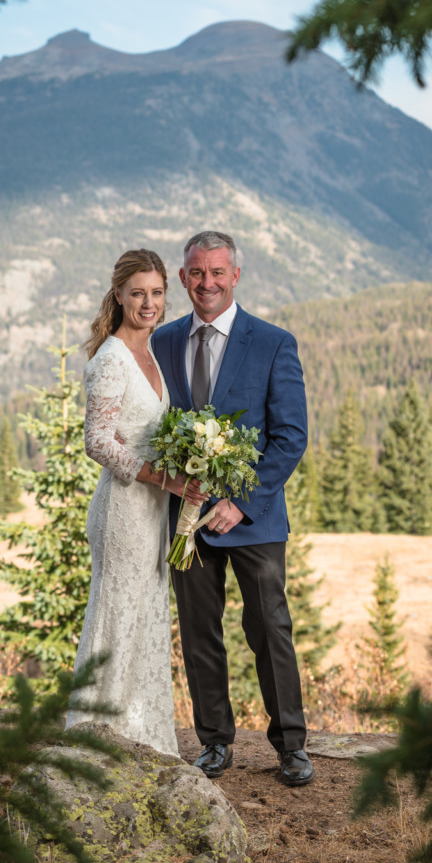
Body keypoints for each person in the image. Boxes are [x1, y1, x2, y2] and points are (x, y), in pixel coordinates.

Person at [152, 231, 314, 786]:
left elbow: (291, 437)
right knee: (199, 633)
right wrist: (179, 484)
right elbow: (153, 427)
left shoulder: (272, 342)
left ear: (235, 276)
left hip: (256, 521)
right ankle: (214, 743)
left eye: (217, 273)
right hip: (185, 520)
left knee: (270, 630)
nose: (207, 284)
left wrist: (240, 503)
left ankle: (292, 746)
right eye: (197, 274)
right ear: (182, 278)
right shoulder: (163, 341)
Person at [67, 249, 201, 756]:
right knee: (116, 616)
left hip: (152, 512)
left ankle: (143, 735)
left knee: (146, 614)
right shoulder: (111, 358)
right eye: (138, 292)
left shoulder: (152, 354)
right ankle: (100, 736)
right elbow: (97, 441)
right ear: (119, 294)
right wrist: (164, 480)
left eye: (157, 292)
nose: (149, 303)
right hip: (124, 509)